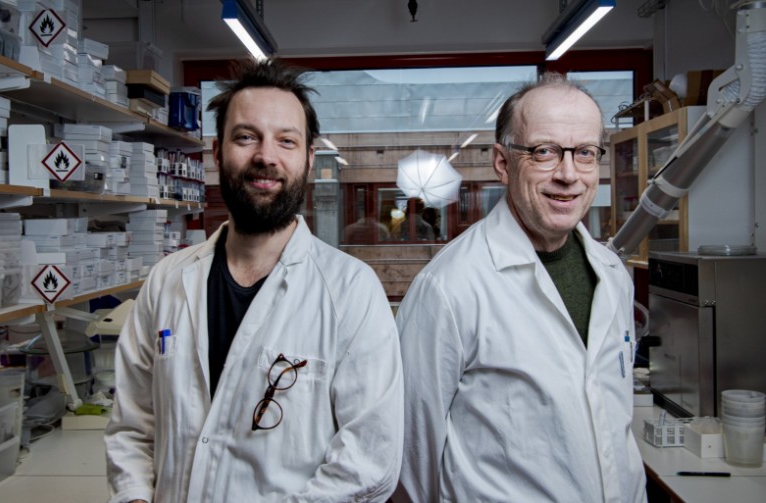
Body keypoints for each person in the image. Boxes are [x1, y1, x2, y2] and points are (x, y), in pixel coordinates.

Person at [105, 58, 403, 503]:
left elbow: (370, 460)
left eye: (286, 140)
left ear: (307, 157)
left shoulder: (351, 292)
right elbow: (133, 425)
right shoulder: (167, 280)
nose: (266, 156)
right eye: (246, 137)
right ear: (217, 152)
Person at [395, 72, 646, 502]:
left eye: (585, 153)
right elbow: (410, 458)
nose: (569, 174)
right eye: (544, 152)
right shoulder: (449, 288)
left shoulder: (613, 274)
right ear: (502, 162)